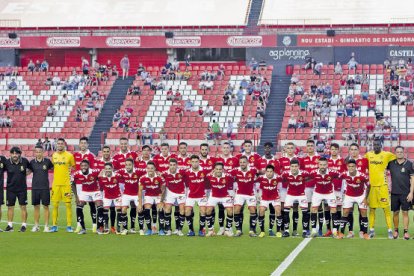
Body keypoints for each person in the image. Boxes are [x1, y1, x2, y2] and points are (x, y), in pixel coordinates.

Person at [364, 139, 396, 239]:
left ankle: (390, 230)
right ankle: (372, 230)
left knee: (386, 209)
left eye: (378, 145)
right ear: (373, 145)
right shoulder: (368, 155)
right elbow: (361, 163)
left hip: (383, 186)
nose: (376, 146)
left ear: (381, 145)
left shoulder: (387, 154)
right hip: (372, 187)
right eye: (374, 145)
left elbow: (397, 159)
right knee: (372, 209)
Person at [337, 159, 370, 240]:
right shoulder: (344, 174)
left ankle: (365, 233)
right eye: (349, 166)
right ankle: (341, 233)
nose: (351, 168)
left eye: (353, 166)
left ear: (356, 167)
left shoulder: (362, 175)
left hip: (360, 196)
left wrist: (366, 198)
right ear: (347, 167)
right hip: (349, 196)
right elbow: (336, 178)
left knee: (363, 212)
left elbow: (369, 186)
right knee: (345, 212)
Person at [387, 146, 414, 240]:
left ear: (404, 152)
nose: (399, 153)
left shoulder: (409, 164)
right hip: (394, 193)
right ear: (395, 153)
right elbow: (382, 171)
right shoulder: (391, 164)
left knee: (405, 212)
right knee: (395, 213)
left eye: (401, 152)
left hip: (405, 193)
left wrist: (411, 193)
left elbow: (412, 178)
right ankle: (396, 230)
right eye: (397, 152)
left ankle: (406, 232)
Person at [309, 158, 341, 238]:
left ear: (327, 165)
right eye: (320, 165)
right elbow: (305, 178)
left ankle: (334, 231)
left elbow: (341, 176)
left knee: (333, 210)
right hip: (317, 193)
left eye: (324, 165)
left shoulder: (332, 172)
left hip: (329, 193)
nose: (322, 166)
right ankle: (313, 230)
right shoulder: (313, 172)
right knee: (313, 209)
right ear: (318, 165)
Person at [72, 160, 104, 235]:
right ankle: (83, 229)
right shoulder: (77, 174)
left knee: (100, 206)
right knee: (78, 207)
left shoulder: (94, 171)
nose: (83, 167)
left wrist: (101, 188)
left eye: (85, 166)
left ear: (88, 166)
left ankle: (99, 228)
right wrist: (76, 196)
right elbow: (73, 184)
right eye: (82, 166)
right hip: (84, 191)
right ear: (80, 167)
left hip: (95, 191)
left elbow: (103, 171)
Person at [280, 159, 311, 238]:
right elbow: (281, 179)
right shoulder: (285, 173)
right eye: (292, 166)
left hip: (301, 195)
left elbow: (310, 177)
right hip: (290, 195)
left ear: (299, 167)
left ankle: (304, 231)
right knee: (286, 212)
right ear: (290, 167)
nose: (294, 168)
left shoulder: (304, 173)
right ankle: (286, 231)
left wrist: (305, 181)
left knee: (305, 213)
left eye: (296, 166)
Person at [3, 147, 31, 232]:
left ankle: (23, 226)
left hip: (22, 189)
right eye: (13, 153)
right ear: (10, 154)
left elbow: (31, 169)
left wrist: (26, 174)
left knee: (23, 207)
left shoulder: (25, 161)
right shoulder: (7, 162)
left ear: (19, 154)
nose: (15, 155)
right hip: (10, 189)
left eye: (16, 153)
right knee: (10, 207)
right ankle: (10, 225)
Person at [50, 138, 75, 233]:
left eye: (61, 143)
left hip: (66, 185)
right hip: (56, 184)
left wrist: (70, 177)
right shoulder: (54, 155)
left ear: (64, 145)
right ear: (56, 145)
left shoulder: (69, 156)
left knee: (68, 205)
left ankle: (69, 226)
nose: (60, 145)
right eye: (58, 143)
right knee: (55, 205)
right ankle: (54, 226)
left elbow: (74, 167)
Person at [73, 137, 97, 233]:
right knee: (79, 204)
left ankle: (94, 225)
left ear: (87, 145)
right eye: (81, 143)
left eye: (85, 143)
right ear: (79, 144)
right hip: (79, 184)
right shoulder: (75, 155)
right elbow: (74, 170)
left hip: (89, 184)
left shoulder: (91, 156)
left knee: (92, 204)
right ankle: (79, 225)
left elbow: (93, 171)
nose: (83, 144)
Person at [231, 156, 258, 237]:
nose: (242, 164)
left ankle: (252, 230)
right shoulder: (235, 170)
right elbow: (226, 174)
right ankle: (238, 230)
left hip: (251, 194)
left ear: (247, 163)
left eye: (244, 162)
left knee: (253, 210)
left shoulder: (253, 170)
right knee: (236, 210)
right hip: (239, 194)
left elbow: (260, 173)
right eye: (241, 162)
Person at [205, 162, 234, 237]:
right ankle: (211, 230)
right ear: (214, 169)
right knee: (208, 210)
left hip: (225, 195)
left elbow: (233, 182)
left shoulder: (228, 176)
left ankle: (227, 230)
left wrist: (232, 195)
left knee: (230, 211)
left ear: (223, 170)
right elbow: (205, 179)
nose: (218, 171)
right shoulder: (209, 176)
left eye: (220, 169)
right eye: (217, 169)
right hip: (214, 195)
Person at [30, 146, 54, 232]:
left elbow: (54, 169)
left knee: (46, 206)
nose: (38, 153)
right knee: (36, 207)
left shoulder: (47, 161)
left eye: (40, 151)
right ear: (35, 152)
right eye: (36, 152)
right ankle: (36, 225)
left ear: (43, 152)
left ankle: (46, 226)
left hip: (45, 188)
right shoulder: (32, 162)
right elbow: (28, 172)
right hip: (35, 188)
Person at [182, 155, 208, 236]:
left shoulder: (204, 171)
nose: (194, 163)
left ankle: (201, 230)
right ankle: (191, 230)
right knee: (187, 211)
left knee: (203, 211)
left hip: (202, 195)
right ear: (190, 162)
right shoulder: (186, 172)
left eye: (196, 161)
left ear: (199, 162)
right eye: (193, 162)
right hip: (191, 195)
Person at [138, 162, 165, 236]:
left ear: (155, 169)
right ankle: (149, 229)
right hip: (148, 195)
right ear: (146, 169)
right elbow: (140, 191)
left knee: (160, 210)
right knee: (146, 210)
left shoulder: (159, 177)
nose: (150, 170)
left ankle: (161, 230)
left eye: (152, 168)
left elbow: (163, 190)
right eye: (148, 168)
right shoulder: (143, 178)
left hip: (158, 195)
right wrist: (140, 204)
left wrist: (162, 201)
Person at [256, 165, 283, 238]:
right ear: (265, 171)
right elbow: (259, 188)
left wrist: (279, 195)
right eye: (267, 171)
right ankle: (262, 231)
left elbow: (280, 187)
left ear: (273, 172)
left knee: (278, 210)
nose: (269, 173)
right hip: (265, 197)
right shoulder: (261, 178)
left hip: (275, 197)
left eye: (271, 171)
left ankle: (278, 231)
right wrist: (259, 196)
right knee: (261, 211)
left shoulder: (277, 177)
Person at [117, 158, 142, 235]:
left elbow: (148, 172)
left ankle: (140, 229)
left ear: (133, 165)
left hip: (136, 194)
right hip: (126, 194)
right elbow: (112, 173)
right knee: (123, 210)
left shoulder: (138, 171)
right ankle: (125, 229)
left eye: (129, 165)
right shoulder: (122, 171)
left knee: (140, 210)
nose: (128, 166)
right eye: (126, 165)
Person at [162, 159, 186, 236]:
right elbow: (161, 184)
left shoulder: (182, 172)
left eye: (174, 165)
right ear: (169, 165)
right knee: (167, 209)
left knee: (182, 210)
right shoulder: (165, 173)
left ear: (177, 165)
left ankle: (179, 229)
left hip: (181, 193)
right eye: (171, 165)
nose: (172, 167)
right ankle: (168, 229)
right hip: (170, 193)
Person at [98, 163, 122, 234]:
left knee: (118, 210)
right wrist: (100, 175)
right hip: (107, 197)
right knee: (105, 211)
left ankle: (118, 228)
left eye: (109, 168)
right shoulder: (102, 177)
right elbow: (101, 188)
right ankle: (106, 228)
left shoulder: (117, 175)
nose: (108, 170)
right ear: (104, 169)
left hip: (117, 196)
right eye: (106, 169)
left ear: (112, 169)